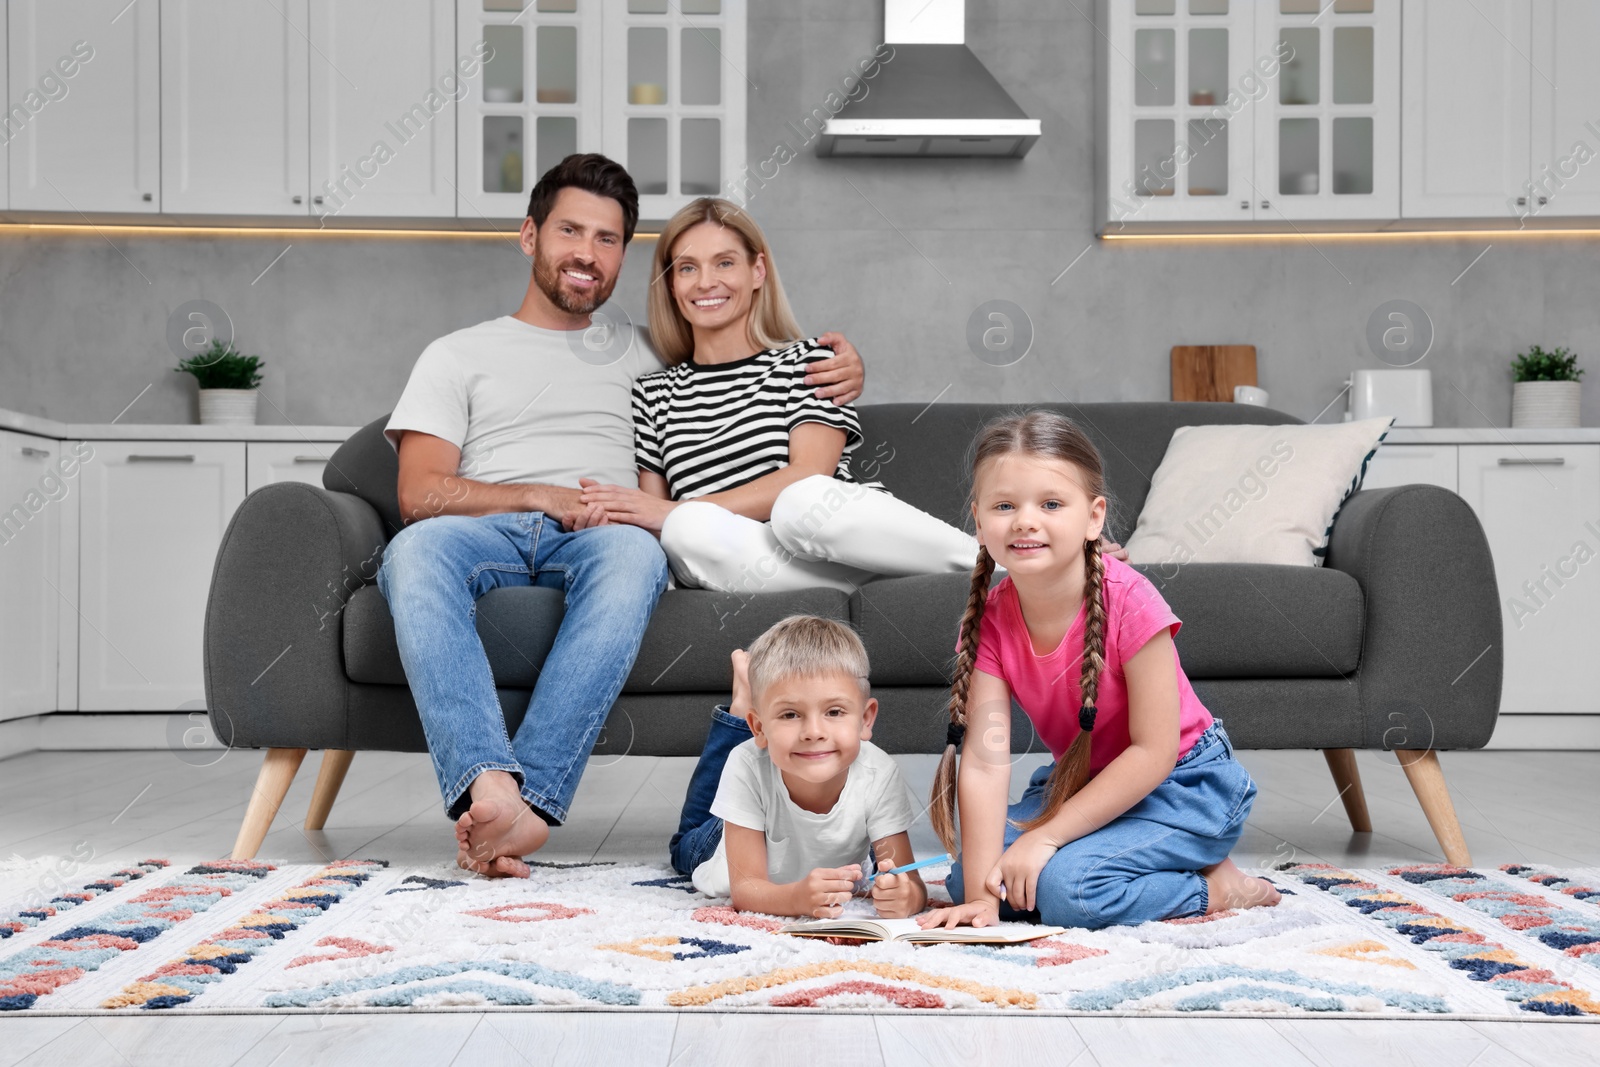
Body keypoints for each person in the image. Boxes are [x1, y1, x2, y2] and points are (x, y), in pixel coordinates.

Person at [375, 155, 868, 879]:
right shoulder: (456, 354)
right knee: (411, 554)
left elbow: (749, 361)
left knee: (639, 555)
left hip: (608, 532)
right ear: (529, 237)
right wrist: (537, 493)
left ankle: (530, 804)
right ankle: (489, 784)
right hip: (483, 530)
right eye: (570, 230)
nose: (586, 252)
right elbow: (419, 493)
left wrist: (843, 363)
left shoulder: (654, 351)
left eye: (608, 239)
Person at [919, 410, 1280, 930]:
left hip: (1182, 784)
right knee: (970, 882)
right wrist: (979, 897)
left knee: (1072, 893)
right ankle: (1117, 854)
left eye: (1050, 504)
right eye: (1004, 506)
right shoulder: (989, 622)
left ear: (1093, 517)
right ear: (979, 521)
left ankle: (1218, 887)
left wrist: (1044, 838)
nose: (1024, 520)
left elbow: (1154, 752)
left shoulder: (1130, 600)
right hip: (1084, 785)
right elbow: (984, 761)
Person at [575, 197, 979, 594]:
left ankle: (985, 564)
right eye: (687, 268)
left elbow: (811, 472)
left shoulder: (809, 360)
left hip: (844, 542)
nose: (705, 282)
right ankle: (857, 598)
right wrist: (640, 519)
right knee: (684, 532)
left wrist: (677, 510)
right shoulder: (653, 393)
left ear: (758, 271)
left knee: (800, 502)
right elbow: (657, 518)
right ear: (672, 285)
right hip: (753, 564)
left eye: (725, 262)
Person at [670, 615, 927, 919]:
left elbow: (910, 882)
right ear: (760, 727)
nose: (813, 732)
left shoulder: (879, 772)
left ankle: (760, 703)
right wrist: (796, 899)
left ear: (865, 719)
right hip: (722, 844)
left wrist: (905, 896)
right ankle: (741, 709)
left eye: (834, 711)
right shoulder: (748, 765)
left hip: (799, 825)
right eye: (790, 714)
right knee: (684, 849)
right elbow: (746, 889)